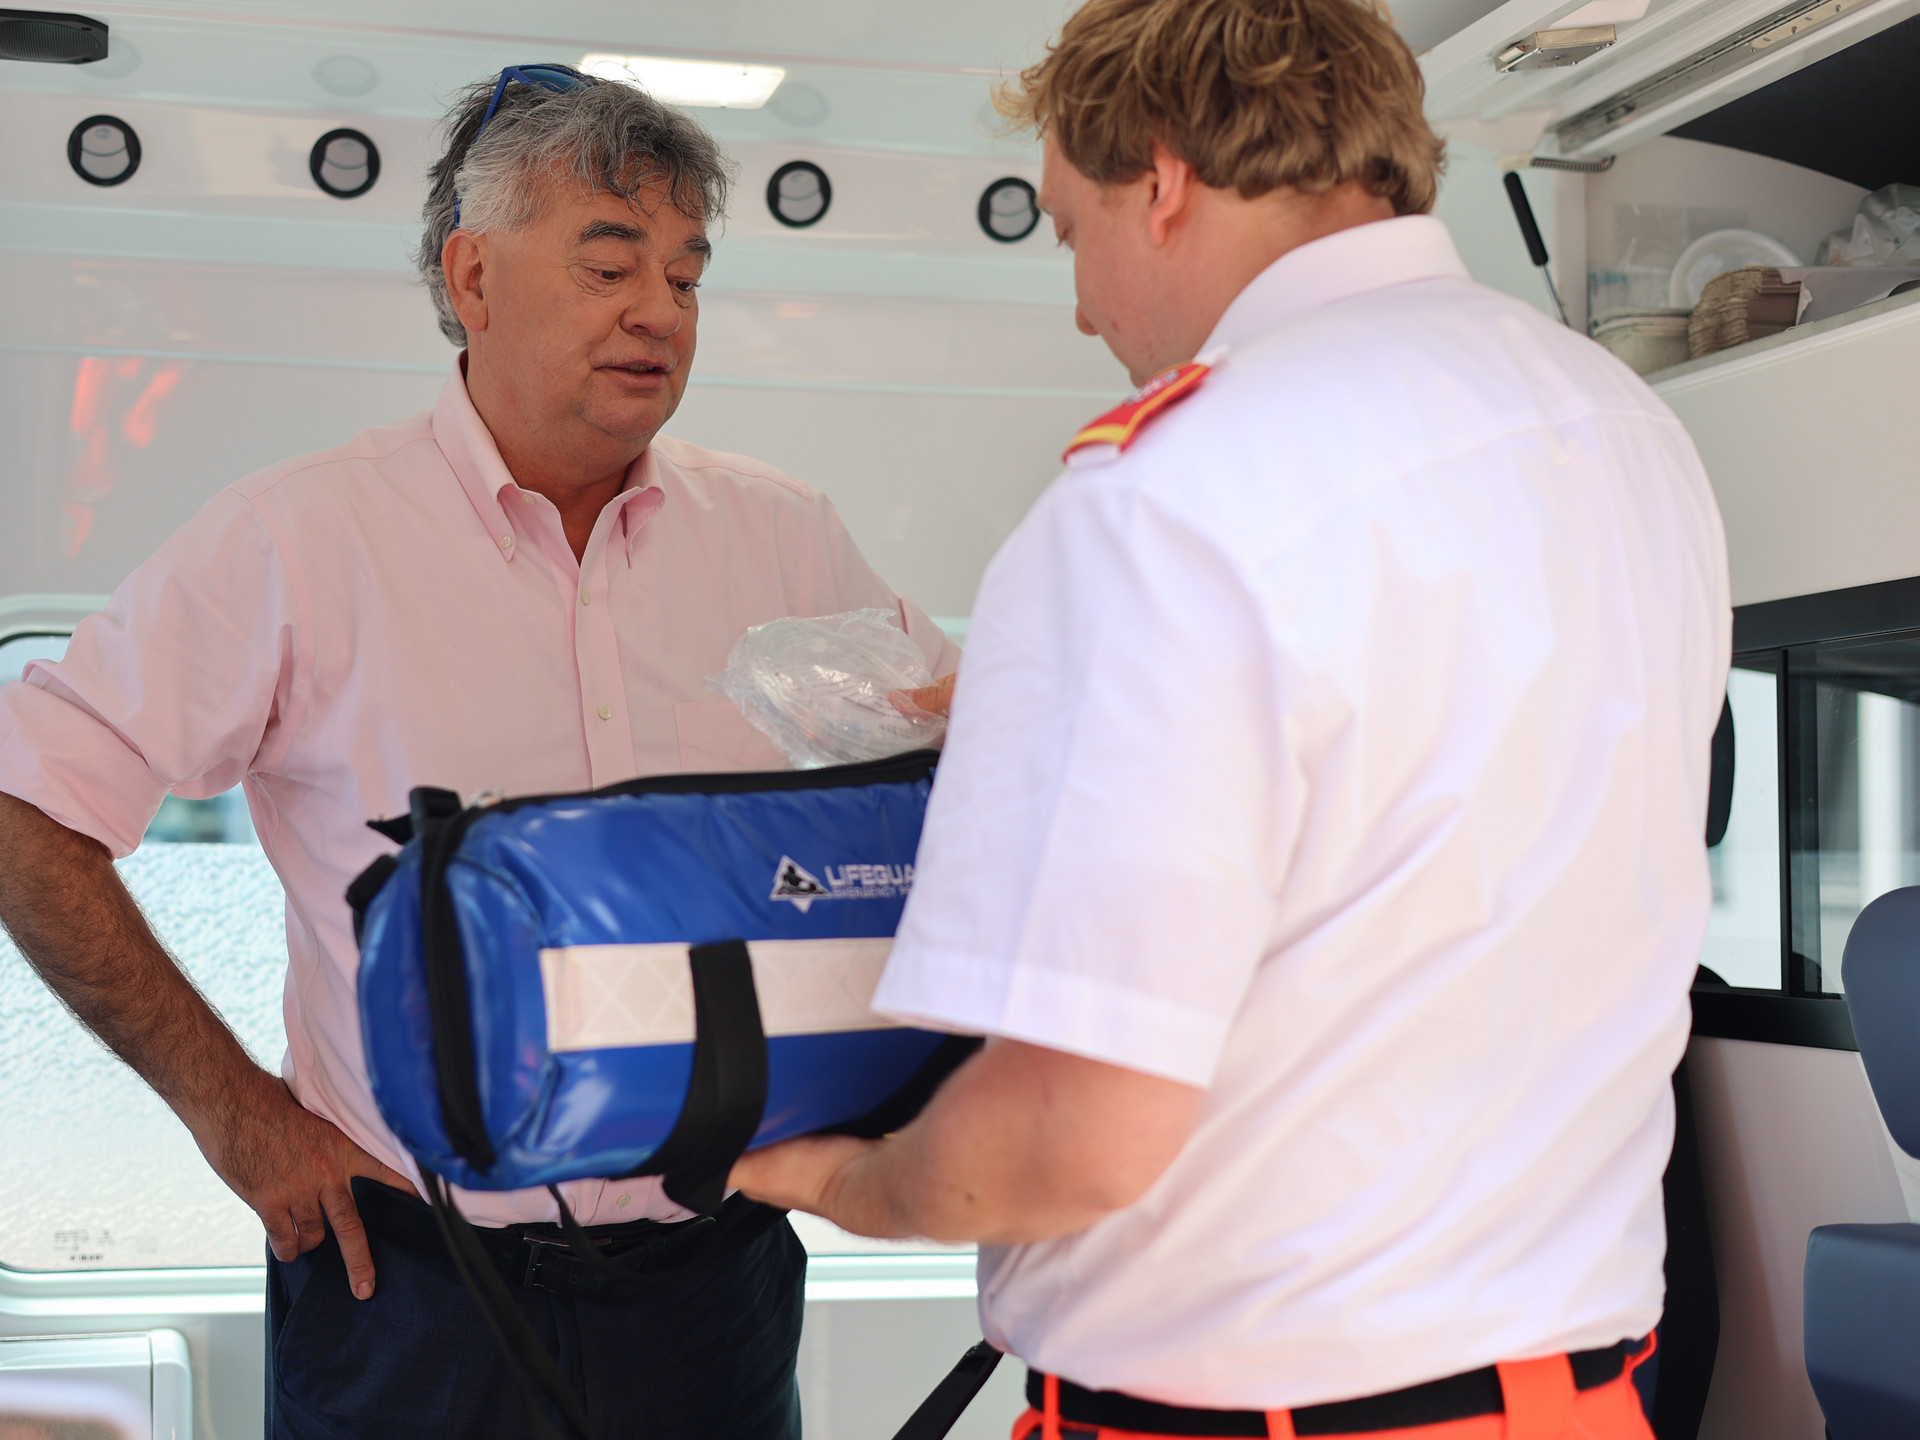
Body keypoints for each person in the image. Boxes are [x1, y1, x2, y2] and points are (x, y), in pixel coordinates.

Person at [733, 1, 1731, 1437]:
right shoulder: (1619, 425)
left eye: (1067, 231)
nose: (1084, 309)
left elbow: (1073, 1137)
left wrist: (847, 1182)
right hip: (1578, 1402)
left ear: (1159, 176)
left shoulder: (1159, 497)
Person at [0, 66, 956, 1440]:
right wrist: (236, 1117)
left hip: (716, 1281)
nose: (659, 312)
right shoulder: (298, 541)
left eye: (687, 277)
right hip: (410, 1290)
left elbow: (953, 781)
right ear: (475, 276)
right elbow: (29, 801)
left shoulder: (783, 537)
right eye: (610, 265)